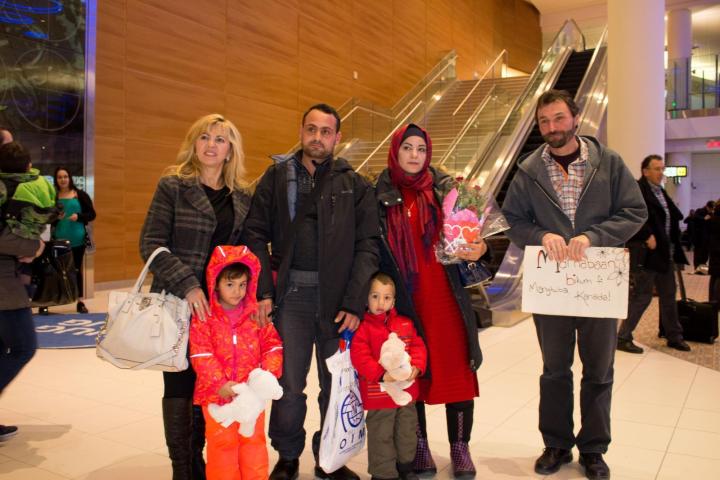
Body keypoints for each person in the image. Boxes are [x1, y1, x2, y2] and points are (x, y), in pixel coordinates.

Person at [501, 90, 647, 480]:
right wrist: (540, 234)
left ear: (576, 118)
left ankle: (594, 449)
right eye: (545, 121)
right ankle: (557, 444)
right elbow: (512, 220)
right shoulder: (529, 169)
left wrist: (595, 237)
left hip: (598, 283)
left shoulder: (609, 163)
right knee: (554, 370)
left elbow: (635, 211)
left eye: (559, 118)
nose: (552, 127)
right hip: (552, 286)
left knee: (599, 370)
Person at [243, 103, 379, 480]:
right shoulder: (276, 178)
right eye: (311, 129)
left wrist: (354, 301)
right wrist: (264, 291)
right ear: (301, 131)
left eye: (326, 131)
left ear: (337, 138)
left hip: (338, 302)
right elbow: (254, 233)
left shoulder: (355, 183)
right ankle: (287, 456)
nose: (317, 137)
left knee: (336, 383)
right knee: (289, 383)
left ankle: (330, 456)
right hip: (291, 297)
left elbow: (368, 244)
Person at [140, 113, 252, 480]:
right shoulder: (173, 184)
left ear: (230, 148)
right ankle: (183, 469)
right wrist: (188, 283)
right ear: (194, 143)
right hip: (178, 303)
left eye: (220, 139)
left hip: (221, 311)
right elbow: (151, 244)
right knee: (179, 383)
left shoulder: (242, 195)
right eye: (204, 137)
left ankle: (201, 460)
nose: (211, 145)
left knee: (210, 384)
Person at [375, 123, 490, 479]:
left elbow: (470, 234)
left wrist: (479, 247)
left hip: (445, 296)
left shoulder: (446, 190)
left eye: (420, 149)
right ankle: (419, 444)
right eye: (407, 148)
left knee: (456, 369)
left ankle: (460, 446)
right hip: (405, 300)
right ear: (396, 151)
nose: (414, 155)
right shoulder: (378, 194)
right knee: (412, 374)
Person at [190, 245, 283, 480]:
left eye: (242, 284)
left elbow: (273, 346)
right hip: (216, 397)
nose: (237, 291)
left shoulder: (256, 316)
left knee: (253, 445)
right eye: (230, 284)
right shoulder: (205, 318)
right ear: (215, 284)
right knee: (222, 448)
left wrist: (266, 378)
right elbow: (201, 353)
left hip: (252, 396)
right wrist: (219, 383)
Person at [350, 272, 427, 480]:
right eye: (375, 296)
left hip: (406, 392)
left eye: (386, 297)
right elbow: (360, 356)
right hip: (379, 396)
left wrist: (417, 367)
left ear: (394, 301)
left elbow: (418, 346)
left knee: (407, 431)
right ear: (366, 298)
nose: (380, 302)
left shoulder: (405, 324)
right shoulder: (363, 328)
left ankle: (405, 466)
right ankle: (383, 473)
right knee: (381, 434)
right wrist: (381, 374)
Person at [618, 155, 691, 354]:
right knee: (642, 296)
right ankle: (623, 336)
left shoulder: (660, 191)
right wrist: (646, 234)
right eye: (657, 169)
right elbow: (628, 216)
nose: (661, 173)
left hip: (665, 252)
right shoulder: (637, 189)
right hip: (647, 253)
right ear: (645, 171)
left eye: (662, 168)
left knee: (668, 295)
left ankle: (674, 336)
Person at [0, 207, 46, 441]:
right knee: (23, 347)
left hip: (8, 289)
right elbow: (11, 241)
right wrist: (35, 246)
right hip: (5, 294)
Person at [42, 167, 96, 314]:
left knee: (76, 270)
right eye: (60, 177)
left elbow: (92, 214)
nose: (63, 179)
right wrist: (55, 218)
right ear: (56, 180)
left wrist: (79, 216)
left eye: (65, 176)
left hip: (77, 240)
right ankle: (48, 302)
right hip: (58, 240)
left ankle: (80, 302)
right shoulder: (53, 197)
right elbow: (46, 217)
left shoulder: (80, 195)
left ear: (70, 178)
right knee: (54, 271)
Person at [691, 200, 715, 272]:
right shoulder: (700, 211)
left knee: (705, 254)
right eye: (710, 209)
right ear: (707, 206)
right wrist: (703, 219)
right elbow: (694, 218)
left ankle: (703, 269)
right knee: (698, 254)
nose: (711, 210)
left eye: (712, 209)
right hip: (699, 238)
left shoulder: (712, 214)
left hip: (707, 238)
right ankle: (697, 268)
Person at [709, 200, 720, 302]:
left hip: (714, 251)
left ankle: (712, 302)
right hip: (718, 251)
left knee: (715, 277)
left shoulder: (713, 218)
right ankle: (715, 303)